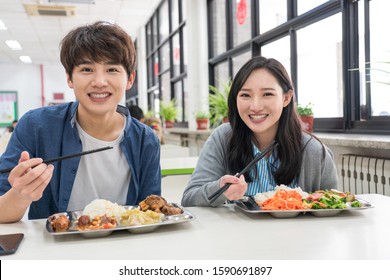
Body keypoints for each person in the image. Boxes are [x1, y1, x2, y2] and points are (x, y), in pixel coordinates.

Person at [0, 21, 161, 223]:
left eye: (112, 69)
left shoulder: (146, 140)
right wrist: (21, 195)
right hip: (55, 250)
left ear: (130, 79)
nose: (100, 81)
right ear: (69, 78)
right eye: (86, 69)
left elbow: (150, 213)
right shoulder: (35, 126)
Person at [181, 56, 338, 207]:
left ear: (286, 98)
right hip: (236, 235)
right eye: (245, 95)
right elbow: (189, 199)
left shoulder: (314, 151)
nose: (255, 106)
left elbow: (332, 206)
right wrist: (220, 189)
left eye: (267, 94)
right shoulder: (223, 138)